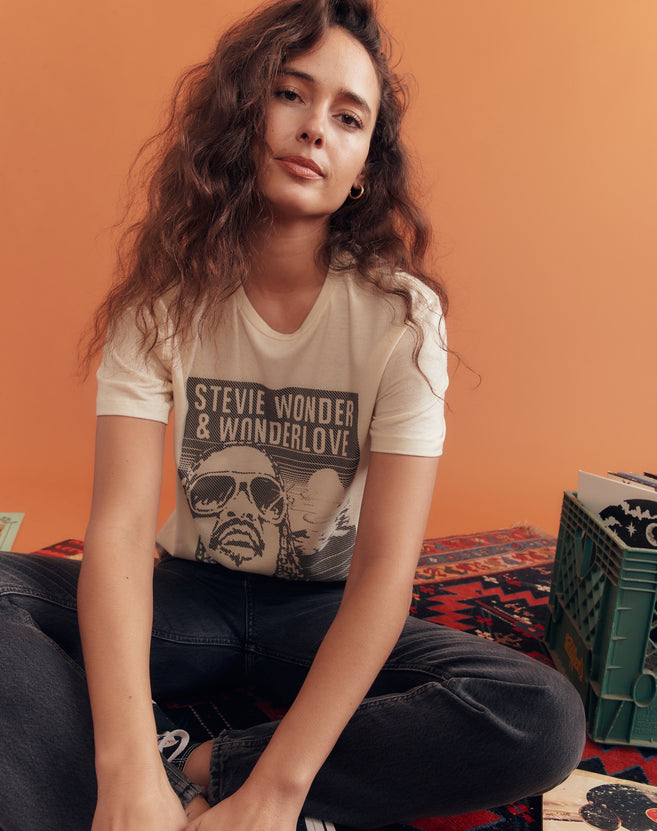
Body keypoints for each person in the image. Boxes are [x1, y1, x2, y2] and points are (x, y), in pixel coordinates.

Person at [0, 1, 586, 829]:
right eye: (290, 93)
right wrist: (124, 761)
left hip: (325, 614)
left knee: (541, 713)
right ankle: (133, 790)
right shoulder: (163, 300)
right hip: (187, 601)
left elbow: (385, 572)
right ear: (241, 113)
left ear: (363, 169)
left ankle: (202, 765)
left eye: (349, 117)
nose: (315, 128)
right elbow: (122, 529)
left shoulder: (400, 318)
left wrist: (274, 786)